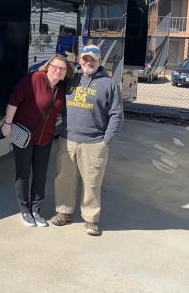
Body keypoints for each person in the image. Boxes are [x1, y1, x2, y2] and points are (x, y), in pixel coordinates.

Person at [51, 44, 123, 236]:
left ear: (99, 61)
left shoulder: (109, 85)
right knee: (64, 179)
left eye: (92, 59)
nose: (87, 62)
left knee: (92, 183)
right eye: (84, 59)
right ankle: (64, 212)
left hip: (94, 142)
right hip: (68, 140)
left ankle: (91, 219)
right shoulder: (71, 80)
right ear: (79, 60)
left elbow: (117, 115)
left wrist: (105, 141)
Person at [2, 54, 74, 227]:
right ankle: (25, 210)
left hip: (45, 137)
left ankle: (36, 210)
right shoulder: (33, 79)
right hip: (25, 136)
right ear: (48, 66)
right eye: (55, 67)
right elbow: (14, 101)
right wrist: (7, 123)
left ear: (65, 73)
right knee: (24, 173)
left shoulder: (63, 87)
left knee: (41, 175)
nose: (58, 70)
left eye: (62, 69)